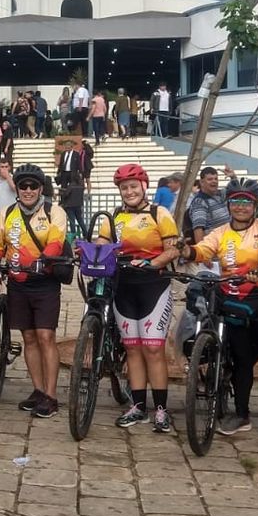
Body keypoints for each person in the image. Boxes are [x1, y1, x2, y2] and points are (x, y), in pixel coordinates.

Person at [189, 177, 258, 445]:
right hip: (233, 301)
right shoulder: (220, 232)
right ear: (228, 203)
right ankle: (242, 415)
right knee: (241, 362)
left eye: (246, 202)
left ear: (255, 205)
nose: (240, 207)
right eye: (235, 201)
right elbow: (203, 250)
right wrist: (184, 250)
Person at [95, 163, 180, 432]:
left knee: (153, 349)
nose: (129, 191)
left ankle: (162, 410)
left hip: (153, 286)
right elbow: (102, 242)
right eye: (124, 188)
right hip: (124, 286)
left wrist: (153, 263)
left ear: (144, 187)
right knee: (132, 348)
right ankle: (139, 407)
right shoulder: (113, 217)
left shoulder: (159, 213)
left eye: (133, 186)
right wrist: (90, 251)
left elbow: (173, 249)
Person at [0, 163, 67, 418]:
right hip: (18, 283)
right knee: (29, 338)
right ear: (17, 189)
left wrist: (42, 260)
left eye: (33, 186)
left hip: (44, 281)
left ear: (41, 188)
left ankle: (52, 396)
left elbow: (56, 241)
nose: (28, 190)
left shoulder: (55, 211)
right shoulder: (8, 212)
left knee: (46, 336)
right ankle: (39, 390)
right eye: (23, 186)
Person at [186, 166, 229, 248]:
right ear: (201, 182)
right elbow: (198, 230)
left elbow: (238, 191)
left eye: (216, 179)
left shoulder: (220, 195)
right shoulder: (200, 203)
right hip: (214, 251)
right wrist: (203, 254)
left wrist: (233, 177)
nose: (214, 181)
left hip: (228, 246)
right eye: (210, 179)